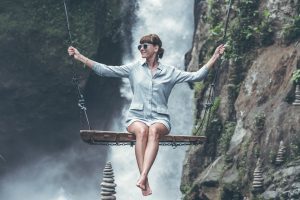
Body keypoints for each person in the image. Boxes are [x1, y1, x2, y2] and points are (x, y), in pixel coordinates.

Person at [68, 33, 225, 196]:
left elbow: (197, 76)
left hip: (160, 118)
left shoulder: (170, 72)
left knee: (154, 131)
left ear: (156, 48)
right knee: (142, 131)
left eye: (145, 46)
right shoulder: (133, 68)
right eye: (139, 46)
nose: (141, 49)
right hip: (136, 117)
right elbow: (105, 71)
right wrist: (80, 57)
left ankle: (143, 176)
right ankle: (145, 179)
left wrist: (214, 57)